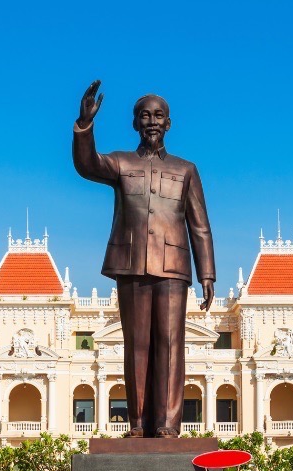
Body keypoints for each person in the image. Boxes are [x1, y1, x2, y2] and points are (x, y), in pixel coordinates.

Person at [73, 80, 216, 438]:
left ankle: (168, 425)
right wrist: (84, 126)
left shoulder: (186, 170)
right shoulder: (121, 163)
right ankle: (137, 424)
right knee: (136, 345)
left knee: (170, 345)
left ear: (169, 123)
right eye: (144, 116)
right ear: (135, 123)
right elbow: (87, 164)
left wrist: (207, 274)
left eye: (158, 116)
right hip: (132, 264)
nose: (152, 121)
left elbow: (200, 226)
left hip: (174, 268)